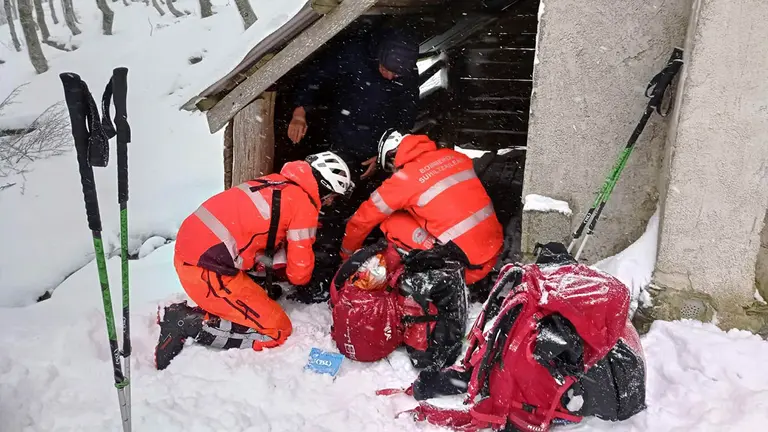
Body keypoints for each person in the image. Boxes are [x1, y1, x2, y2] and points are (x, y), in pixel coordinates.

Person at [154, 152, 354, 370]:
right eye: (332, 196)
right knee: (277, 330)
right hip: (206, 270)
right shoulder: (303, 205)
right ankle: (185, 323)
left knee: (268, 275)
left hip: (195, 253)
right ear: (324, 187)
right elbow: (299, 274)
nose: (330, 202)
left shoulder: (275, 182)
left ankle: (241, 297)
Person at [283, 23, 420, 301]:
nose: (392, 76)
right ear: (379, 56)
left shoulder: (404, 71)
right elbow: (313, 77)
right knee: (334, 208)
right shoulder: (353, 53)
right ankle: (323, 274)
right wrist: (299, 112)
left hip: (378, 148)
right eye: (388, 69)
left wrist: (383, 157)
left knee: (373, 209)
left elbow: (406, 114)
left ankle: (367, 267)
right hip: (343, 140)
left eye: (398, 74)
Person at [341, 131, 504, 286]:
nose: (393, 172)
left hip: (464, 270)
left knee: (391, 221)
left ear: (392, 158)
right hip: (493, 252)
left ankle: (404, 275)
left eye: (390, 168)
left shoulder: (402, 181)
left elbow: (361, 220)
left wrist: (347, 256)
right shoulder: (455, 157)